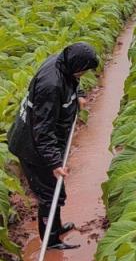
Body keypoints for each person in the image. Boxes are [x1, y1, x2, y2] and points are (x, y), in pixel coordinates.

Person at [8, 42, 99, 250]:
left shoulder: (62, 62)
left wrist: (80, 94)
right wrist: (55, 162)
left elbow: (73, 79)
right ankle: (50, 241)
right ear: (76, 65)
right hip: (32, 146)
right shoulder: (51, 86)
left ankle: (56, 229)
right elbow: (43, 130)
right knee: (49, 195)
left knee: (55, 191)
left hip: (39, 140)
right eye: (83, 71)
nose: (83, 74)